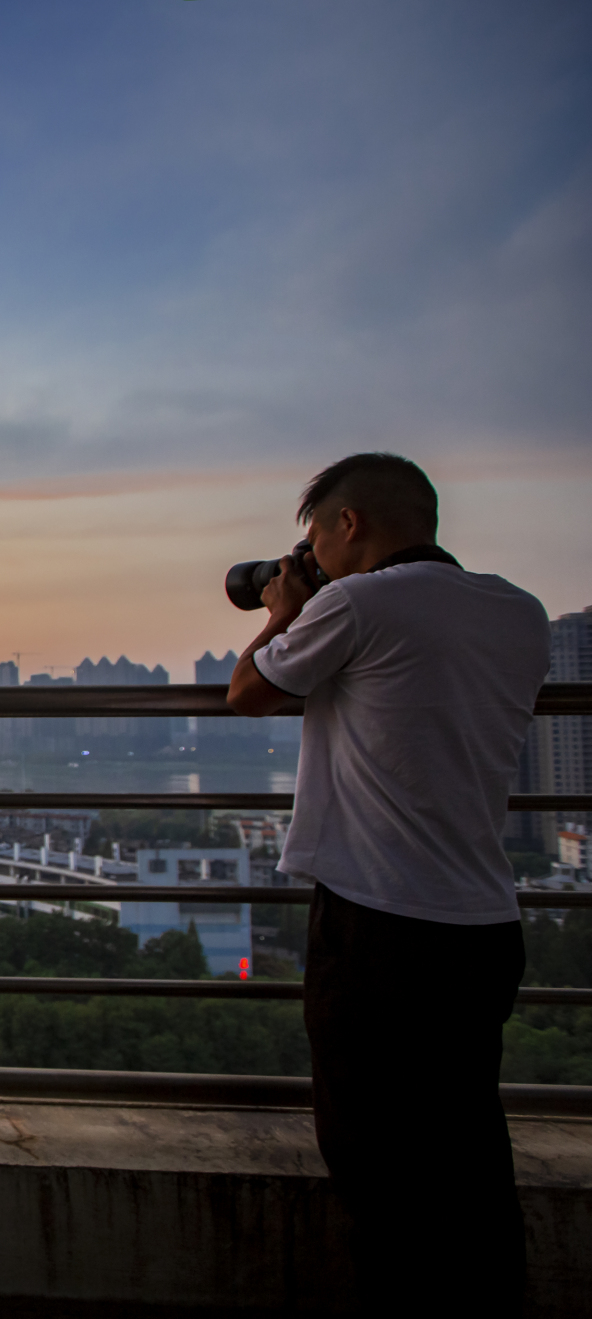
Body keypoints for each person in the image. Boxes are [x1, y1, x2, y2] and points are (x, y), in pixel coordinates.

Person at [226, 452, 550, 1314]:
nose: (311, 557)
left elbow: (249, 691)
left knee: (379, 1170)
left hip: (379, 927)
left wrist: (281, 612)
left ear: (348, 525)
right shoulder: (520, 610)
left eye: (314, 539)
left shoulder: (357, 601)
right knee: (469, 1156)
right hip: (482, 922)